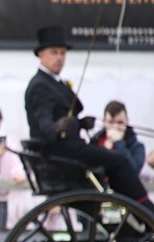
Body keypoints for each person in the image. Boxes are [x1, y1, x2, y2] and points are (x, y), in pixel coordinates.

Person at [24, 26, 152, 211]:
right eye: (54, 53)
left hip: (70, 148)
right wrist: (60, 126)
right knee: (118, 161)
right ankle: (143, 208)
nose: (59, 57)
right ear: (41, 55)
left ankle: (131, 210)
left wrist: (80, 123)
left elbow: (65, 115)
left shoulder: (54, 83)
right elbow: (45, 126)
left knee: (112, 161)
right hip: (61, 152)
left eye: (62, 53)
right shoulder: (40, 86)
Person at [91, 100, 146, 173]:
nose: (115, 127)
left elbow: (133, 171)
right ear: (104, 122)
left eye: (120, 122)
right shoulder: (95, 140)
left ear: (127, 121)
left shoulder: (137, 147)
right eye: (111, 122)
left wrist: (119, 143)